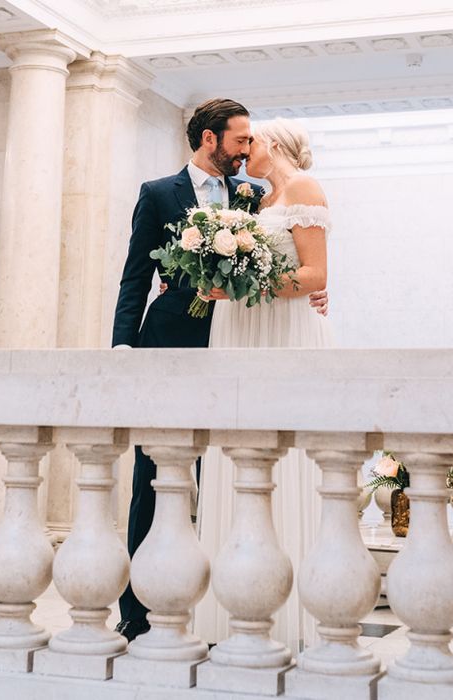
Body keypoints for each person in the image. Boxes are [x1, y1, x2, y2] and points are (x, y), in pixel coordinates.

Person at [111, 100, 327, 642]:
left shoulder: (258, 194)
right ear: (211, 139)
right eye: (239, 140)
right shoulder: (158, 193)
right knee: (154, 477)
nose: (246, 149)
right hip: (169, 343)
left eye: (251, 141)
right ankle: (138, 610)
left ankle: (223, 599)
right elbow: (136, 275)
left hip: (240, 341)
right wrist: (122, 348)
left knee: (229, 478)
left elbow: (293, 258)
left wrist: (312, 294)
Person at [194, 118, 334, 654]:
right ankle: (237, 602)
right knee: (237, 457)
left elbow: (316, 275)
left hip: (280, 333)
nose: (244, 152)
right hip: (244, 333)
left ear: (270, 145)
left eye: (251, 143)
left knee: (284, 458)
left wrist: (237, 288)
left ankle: (293, 609)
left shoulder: (302, 189)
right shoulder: (256, 201)